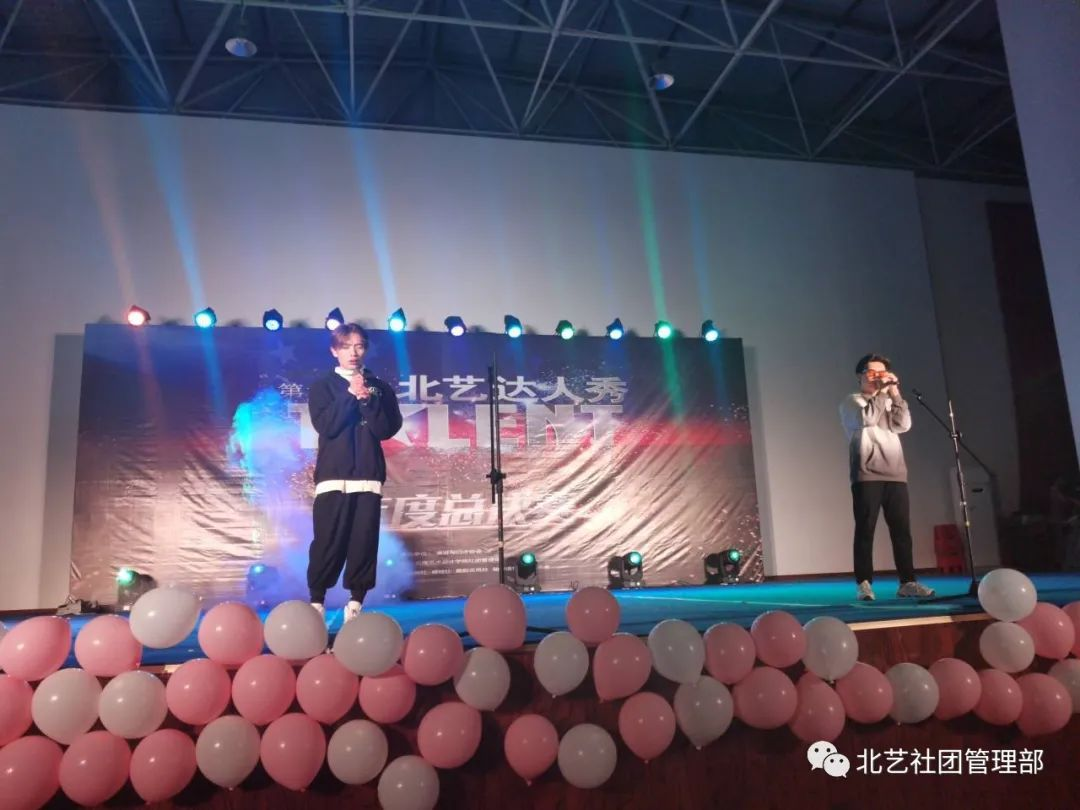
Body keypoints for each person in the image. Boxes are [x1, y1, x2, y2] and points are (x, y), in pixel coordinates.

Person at [307, 323, 403, 622]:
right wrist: (350, 394)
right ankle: (316, 603)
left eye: (359, 346)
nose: (353, 352)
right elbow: (327, 426)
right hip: (333, 476)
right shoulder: (322, 386)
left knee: (364, 542)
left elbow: (385, 429)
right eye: (346, 346)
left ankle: (356, 605)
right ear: (334, 350)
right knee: (327, 541)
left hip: (368, 475)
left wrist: (367, 400)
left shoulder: (379, 387)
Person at [840, 354, 935, 601]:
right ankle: (864, 583)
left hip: (896, 474)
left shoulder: (889, 400)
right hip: (867, 474)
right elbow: (868, 418)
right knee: (866, 529)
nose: (878, 378)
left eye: (882, 373)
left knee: (902, 530)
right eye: (872, 373)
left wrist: (895, 394)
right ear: (860, 376)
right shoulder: (852, 401)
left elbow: (903, 425)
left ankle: (907, 582)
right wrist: (883, 393)